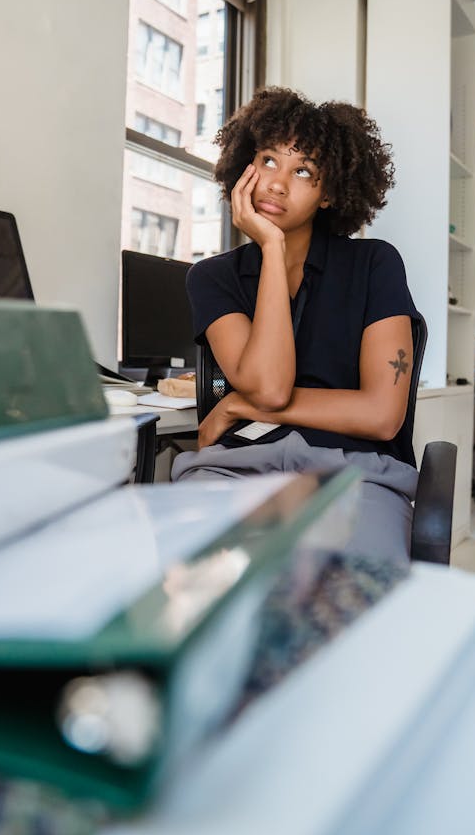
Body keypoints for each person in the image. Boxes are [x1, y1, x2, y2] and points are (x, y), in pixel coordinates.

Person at [171, 86, 420, 564]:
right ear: (245, 164)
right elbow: (269, 387)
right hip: (235, 468)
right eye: (267, 160)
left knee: (344, 597)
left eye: (303, 170)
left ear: (329, 194)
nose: (277, 184)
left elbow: (382, 415)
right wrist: (271, 249)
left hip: (354, 473)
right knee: (192, 590)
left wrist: (236, 405)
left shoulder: (375, 265)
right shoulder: (213, 278)